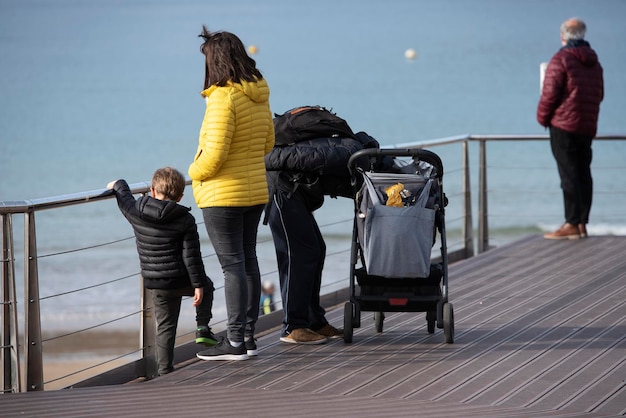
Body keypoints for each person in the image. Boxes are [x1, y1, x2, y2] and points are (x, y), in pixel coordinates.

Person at [188, 26, 274, 360]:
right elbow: (268, 143)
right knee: (247, 261)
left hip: (222, 194)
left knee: (232, 266)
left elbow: (214, 155)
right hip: (253, 191)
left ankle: (235, 341)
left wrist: (192, 172)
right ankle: (247, 337)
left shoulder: (223, 97)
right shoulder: (258, 93)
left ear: (216, 61)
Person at [107, 167, 217, 376]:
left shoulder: (137, 211)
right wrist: (198, 285)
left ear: (152, 190)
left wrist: (118, 184)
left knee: (166, 325)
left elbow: (124, 198)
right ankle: (202, 327)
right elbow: (191, 257)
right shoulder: (185, 219)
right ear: (180, 196)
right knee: (208, 285)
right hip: (180, 278)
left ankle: (164, 371)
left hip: (155, 281)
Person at [264, 133, 370, 344]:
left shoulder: (344, 151)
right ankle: (293, 326)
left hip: (295, 191)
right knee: (298, 256)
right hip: (283, 192)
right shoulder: (349, 155)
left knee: (316, 249)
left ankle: (314, 321)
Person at [537, 17, 604, 240]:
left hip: (563, 125)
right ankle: (582, 222)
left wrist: (542, 118)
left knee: (568, 174)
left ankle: (572, 223)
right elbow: (599, 94)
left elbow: (549, 95)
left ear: (563, 36)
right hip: (586, 125)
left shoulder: (561, 59)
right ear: (583, 35)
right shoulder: (594, 61)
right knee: (583, 173)